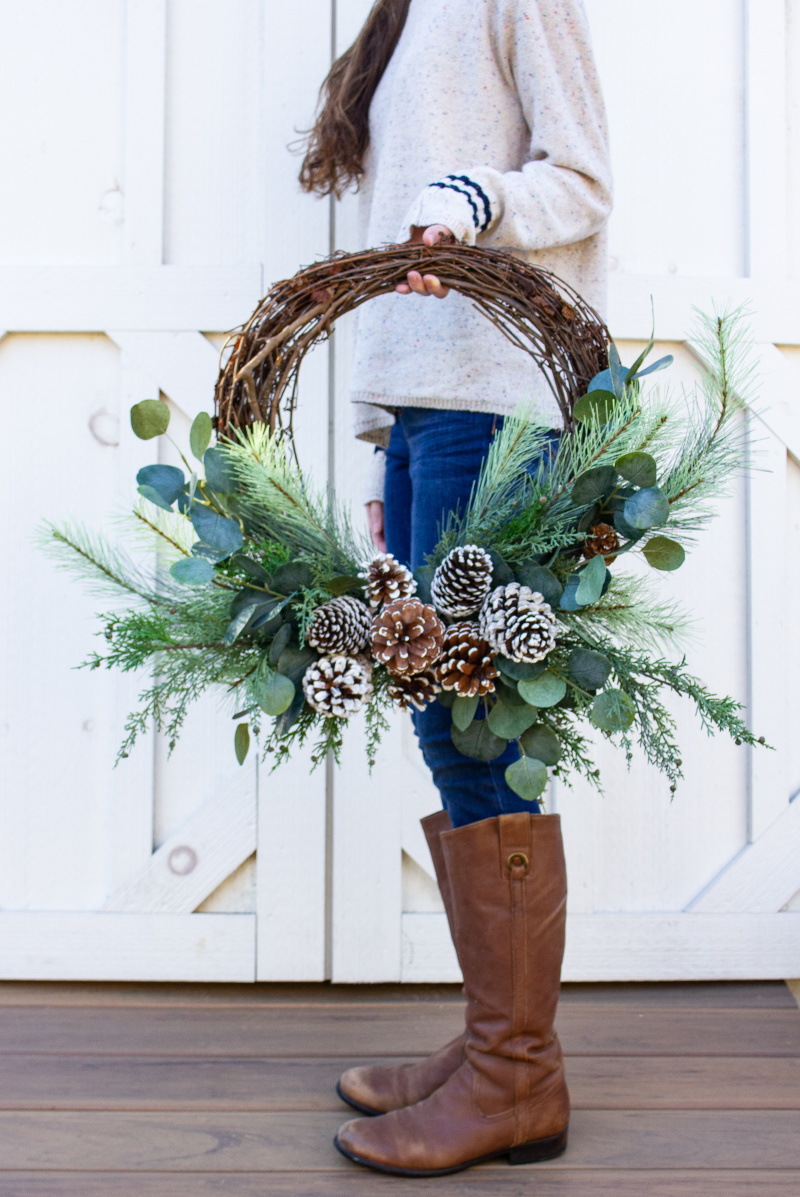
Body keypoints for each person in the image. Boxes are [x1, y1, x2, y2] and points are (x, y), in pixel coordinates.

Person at [299, 0, 611, 1176]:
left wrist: (477, 197)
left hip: (495, 400)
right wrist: (380, 430)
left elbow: (579, 178)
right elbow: (395, 251)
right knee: (444, 713)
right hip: (427, 408)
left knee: (470, 720)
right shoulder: (408, 11)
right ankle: (497, 1046)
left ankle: (517, 1075)